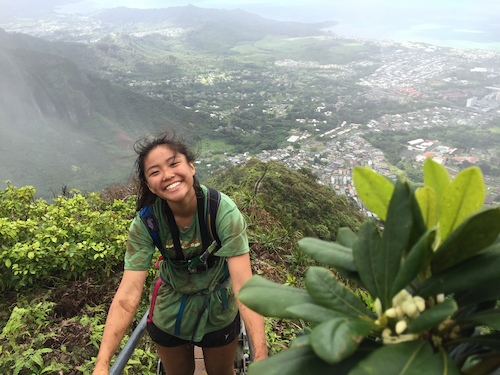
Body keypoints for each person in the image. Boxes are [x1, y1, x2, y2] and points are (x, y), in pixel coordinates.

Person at [93, 131, 268, 375]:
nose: (167, 175)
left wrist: (261, 355)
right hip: (171, 307)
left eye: (174, 164)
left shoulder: (221, 211)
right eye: (154, 172)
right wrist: (102, 363)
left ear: (191, 167)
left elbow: (244, 286)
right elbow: (128, 294)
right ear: (149, 186)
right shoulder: (148, 222)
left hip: (218, 306)